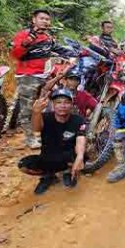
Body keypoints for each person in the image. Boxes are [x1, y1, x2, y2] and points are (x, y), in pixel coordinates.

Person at [10, 9, 77, 148]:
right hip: (27, 76)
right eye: (42, 18)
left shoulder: (48, 38)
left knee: (56, 101)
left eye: (47, 19)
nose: (45, 21)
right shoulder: (23, 34)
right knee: (27, 108)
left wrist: (76, 54)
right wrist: (28, 41)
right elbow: (15, 54)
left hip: (46, 75)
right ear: (34, 20)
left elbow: (60, 49)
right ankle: (30, 139)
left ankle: (51, 133)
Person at [17, 88, 86, 195]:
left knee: (80, 156)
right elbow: (36, 128)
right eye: (58, 102)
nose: (62, 105)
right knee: (24, 165)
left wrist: (80, 156)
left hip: (68, 157)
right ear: (53, 104)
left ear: (72, 104)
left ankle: (67, 172)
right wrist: (36, 112)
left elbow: (80, 140)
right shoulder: (45, 117)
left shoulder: (78, 120)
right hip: (48, 156)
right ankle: (49, 176)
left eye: (67, 102)